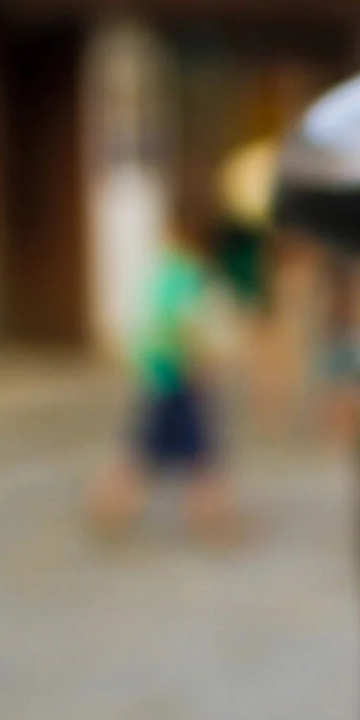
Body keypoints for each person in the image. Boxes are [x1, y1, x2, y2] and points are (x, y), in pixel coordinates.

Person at [87, 222, 246, 544]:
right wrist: (202, 362)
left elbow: (149, 324)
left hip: (159, 374)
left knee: (165, 453)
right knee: (185, 453)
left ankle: (112, 507)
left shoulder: (165, 272)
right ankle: (212, 519)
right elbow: (186, 327)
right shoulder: (189, 277)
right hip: (178, 377)